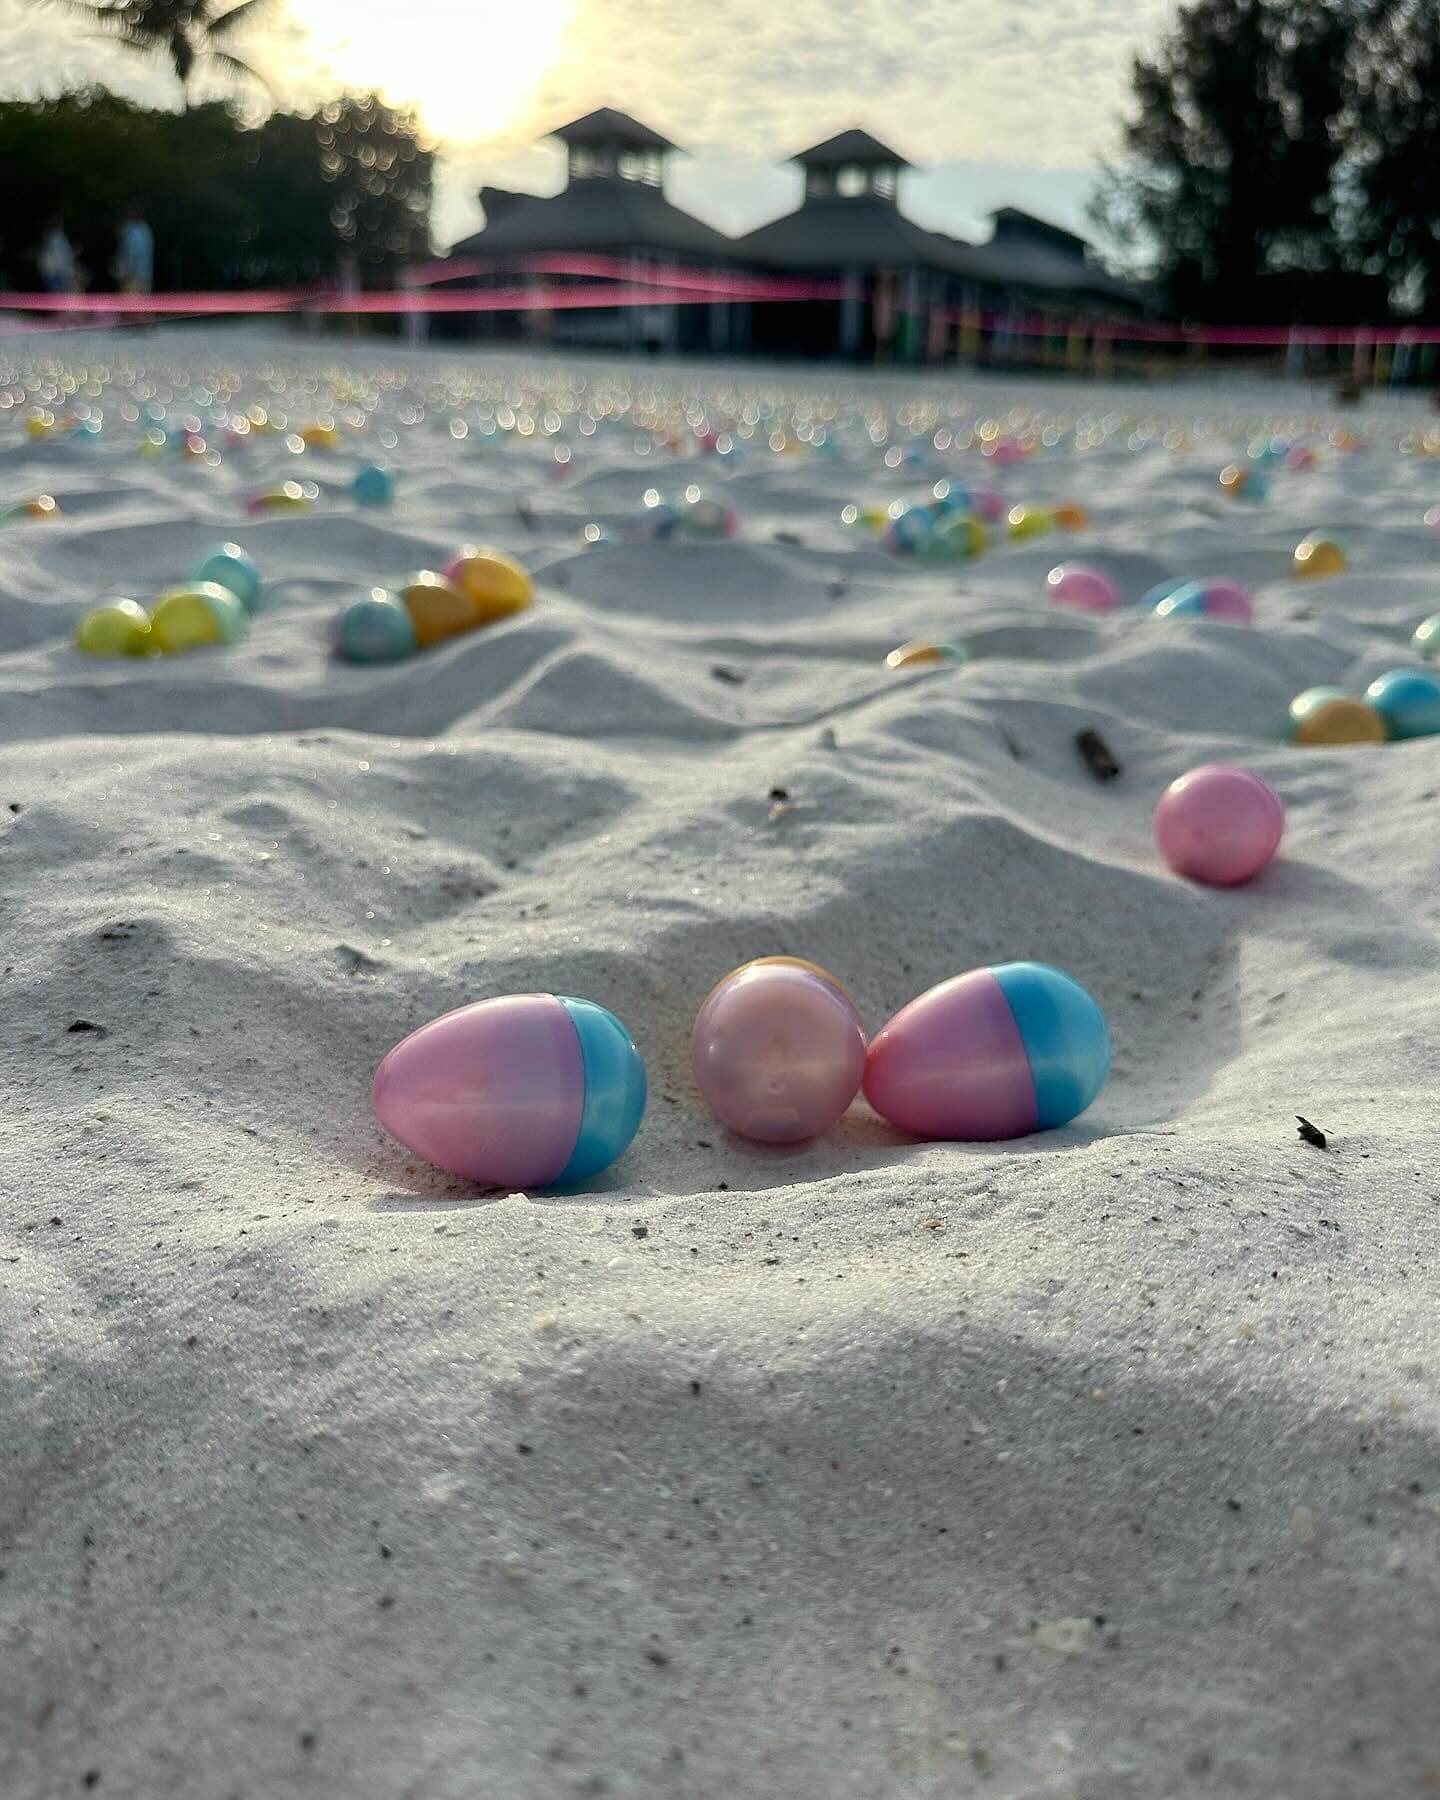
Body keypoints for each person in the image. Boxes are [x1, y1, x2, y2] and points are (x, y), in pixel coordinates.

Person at [115, 206, 154, 296]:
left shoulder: (130, 231)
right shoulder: (146, 230)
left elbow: (130, 254)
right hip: (146, 275)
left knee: (130, 304)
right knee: (143, 305)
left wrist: (124, 273)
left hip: (132, 276)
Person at [38, 217, 76, 295]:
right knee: (58, 296)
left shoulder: (51, 237)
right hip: (57, 273)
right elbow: (64, 256)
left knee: (57, 296)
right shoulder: (56, 237)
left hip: (54, 273)